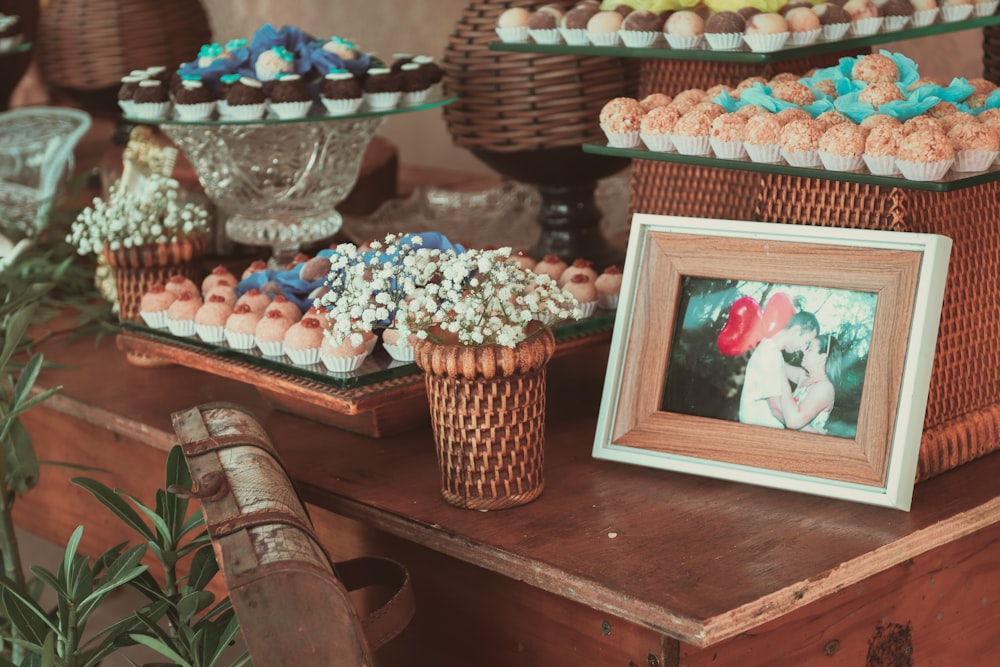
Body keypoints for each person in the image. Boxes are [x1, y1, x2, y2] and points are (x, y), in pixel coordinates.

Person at [738, 310, 819, 429]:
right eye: (806, 342)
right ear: (795, 330)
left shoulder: (774, 353)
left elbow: (798, 375)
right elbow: (776, 407)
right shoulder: (770, 353)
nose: (803, 349)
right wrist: (810, 432)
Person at [774, 334, 843, 434]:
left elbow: (793, 421)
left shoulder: (824, 388)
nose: (804, 351)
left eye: (810, 348)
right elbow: (779, 365)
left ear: (822, 358)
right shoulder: (804, 376)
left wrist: (783, 379)